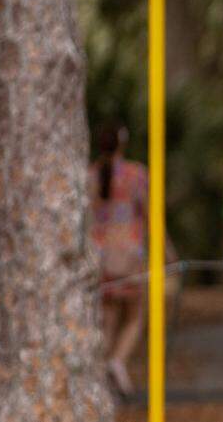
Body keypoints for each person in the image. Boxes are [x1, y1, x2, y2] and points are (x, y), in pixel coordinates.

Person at [89, 123, 150, 399]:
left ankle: (100, 373)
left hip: (100, 256)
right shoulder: (136, 174)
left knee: (108, 318)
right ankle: (117, 361)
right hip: (129, 255)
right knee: (135, 315)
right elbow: (150, 214)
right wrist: (165, 251)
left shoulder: (88, 175)